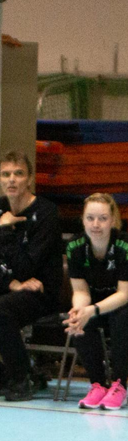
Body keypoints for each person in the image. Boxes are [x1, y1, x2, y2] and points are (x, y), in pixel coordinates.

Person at [64, 193, 128, 410]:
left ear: (113, 220)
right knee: (81, 319)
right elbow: (81, 291)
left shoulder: (126, 244)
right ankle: (97, 384)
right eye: (90, 218)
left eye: (102, 218)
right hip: (106, 302)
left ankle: (120, 386)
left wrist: (92, 310)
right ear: (82, 220)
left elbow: (124, 295)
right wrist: (79, 311)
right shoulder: (74, 246)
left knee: (122, 316)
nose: (96, 224)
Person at [0, 151, 61, 402]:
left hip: (41, 292)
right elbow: (17, 275)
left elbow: (28, 267)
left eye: (18, 174)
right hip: (10, 286)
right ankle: (6, 374)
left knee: (1, 310)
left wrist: (6, 232)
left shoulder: (46, 213)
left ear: (30, 179)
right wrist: (10, 283)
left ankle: (22, 377)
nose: (12, 180)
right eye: (5, 174)